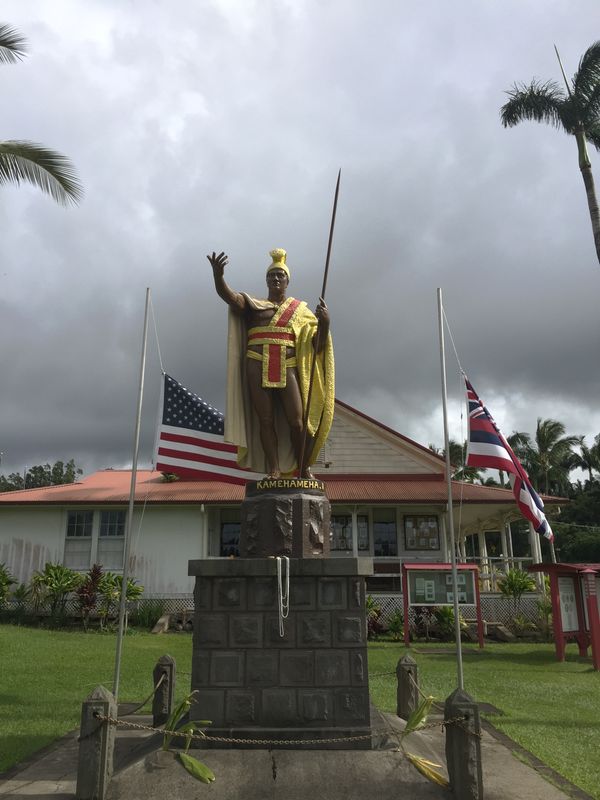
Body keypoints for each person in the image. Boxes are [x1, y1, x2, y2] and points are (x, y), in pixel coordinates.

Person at [208, 248, 334, 478]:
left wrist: (324, 323)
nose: (275, 278)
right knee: (265, 420)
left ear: (287, 281)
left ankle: (303, 468)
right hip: (256, 364)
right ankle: (274, 468)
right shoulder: (255, 305)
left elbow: (317, 347)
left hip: (288, 365)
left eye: (280, 275)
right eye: (271, 275)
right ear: (266, 280)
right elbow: (230, 297)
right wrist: (219, 276)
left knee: (297, 422)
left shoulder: (301, 312)